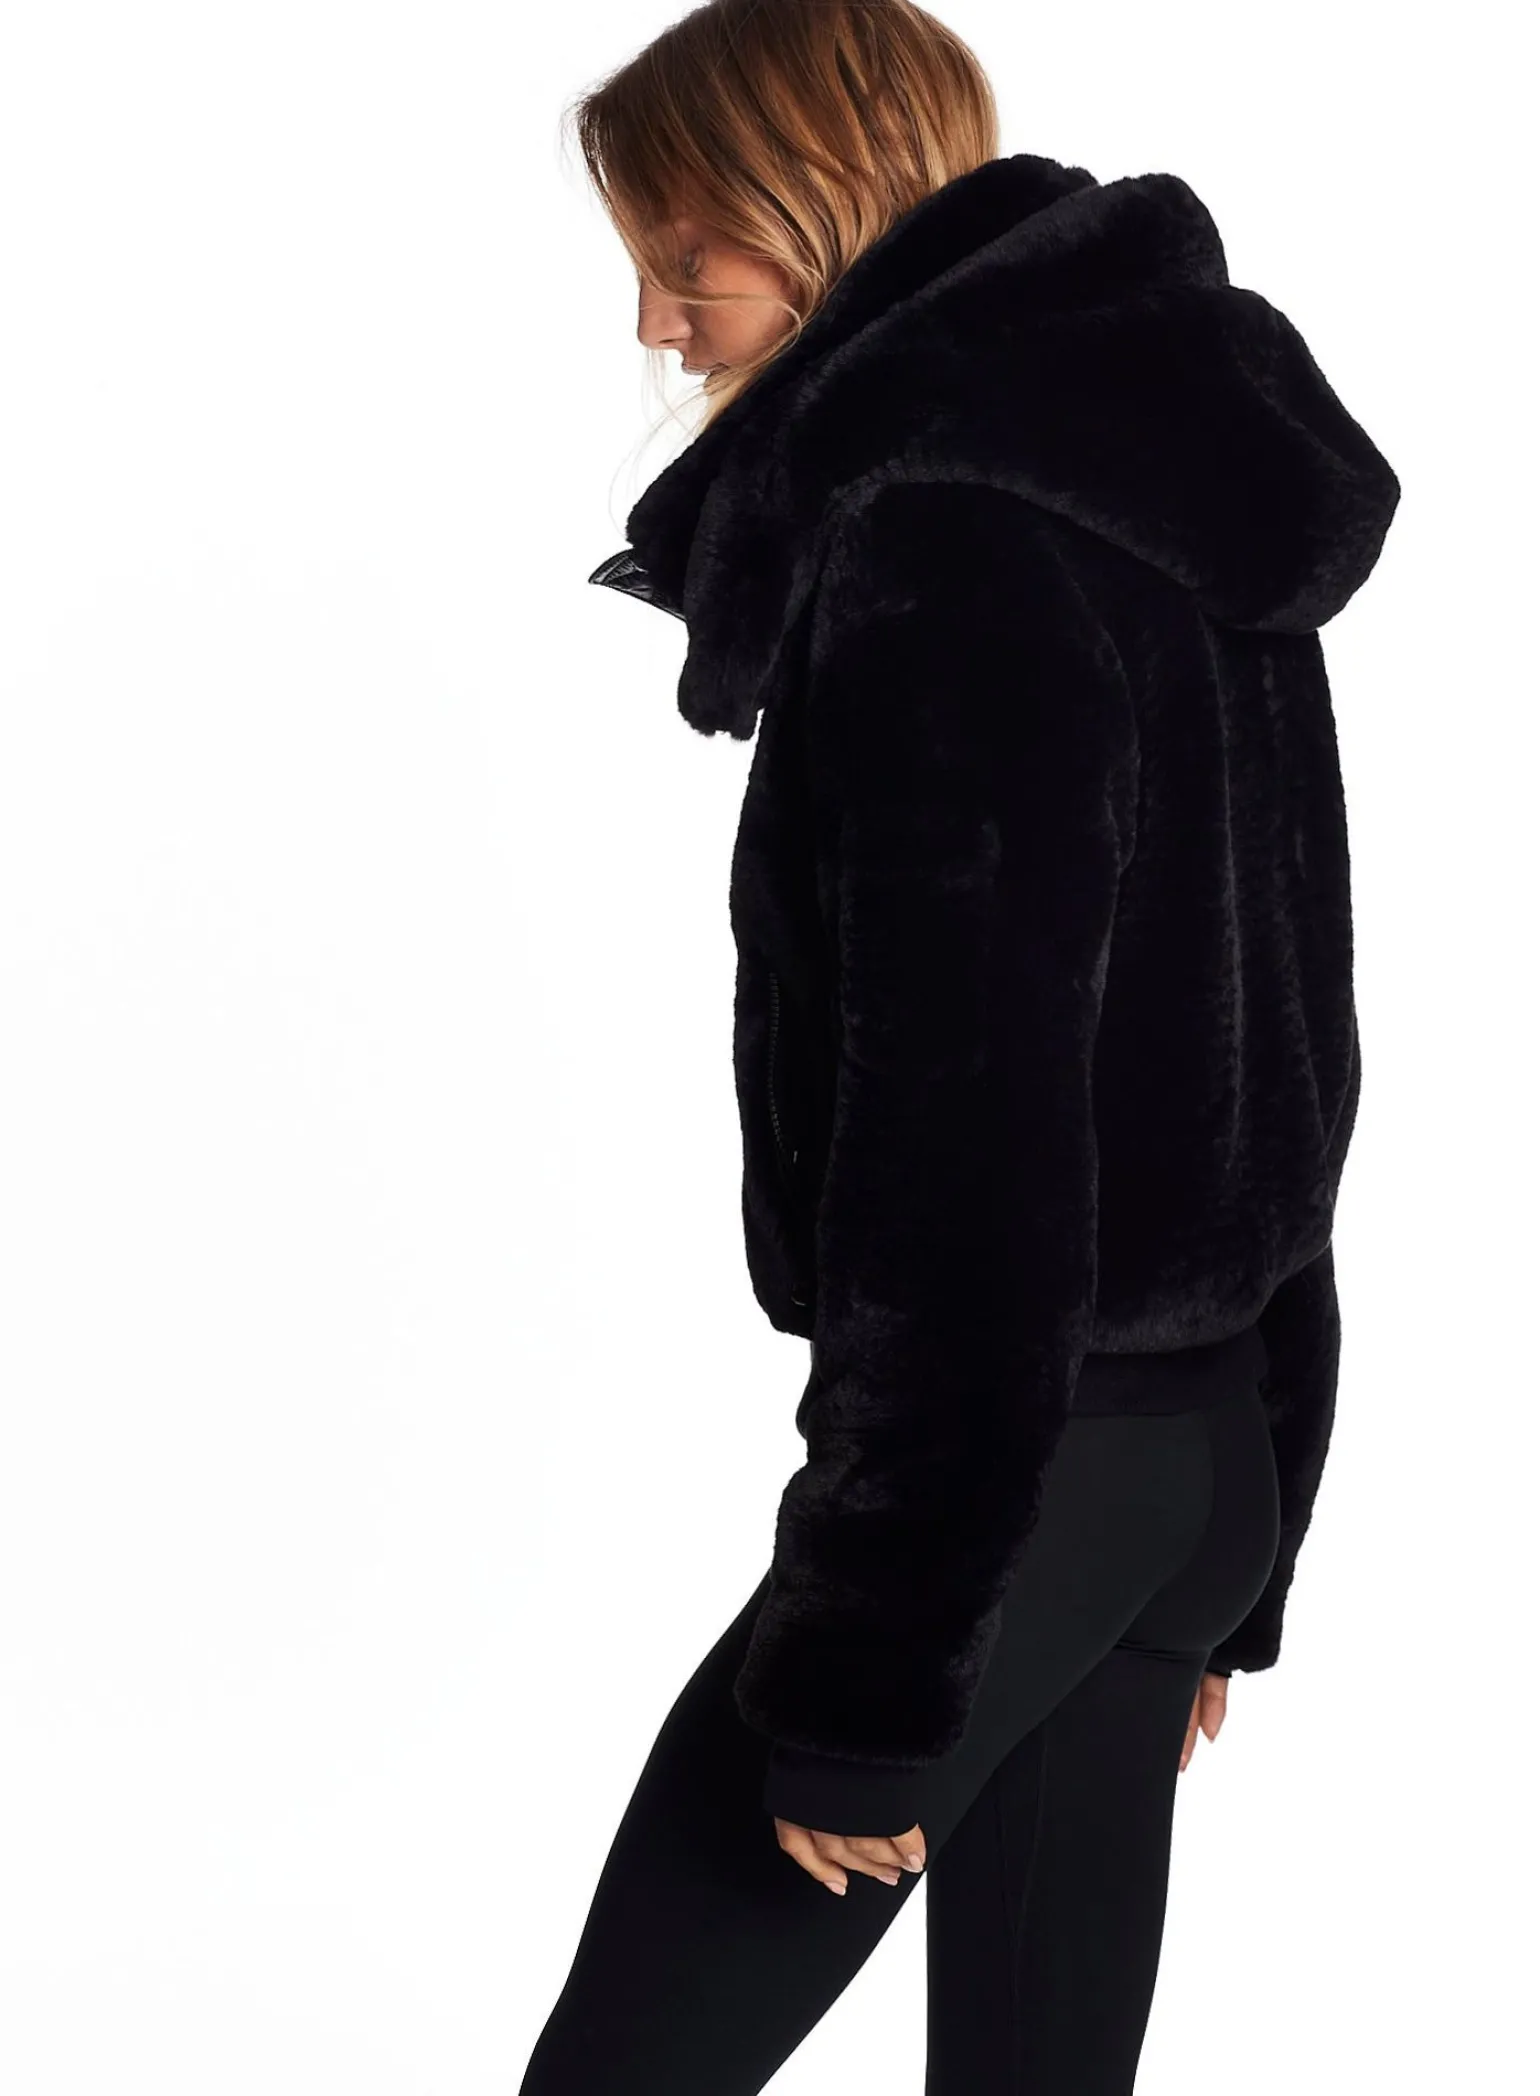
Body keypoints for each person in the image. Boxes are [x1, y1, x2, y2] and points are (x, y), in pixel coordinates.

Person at [523, 3, 1400, 2089]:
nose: (655, 323)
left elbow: (969, 1149)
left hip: (1015, 1496)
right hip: (1182, 1462)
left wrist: (871, 1673)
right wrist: (1240, 1525)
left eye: (689, 254)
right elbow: (1278, 1031)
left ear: (821, 208)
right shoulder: (1167, 499)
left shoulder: (940, 536)